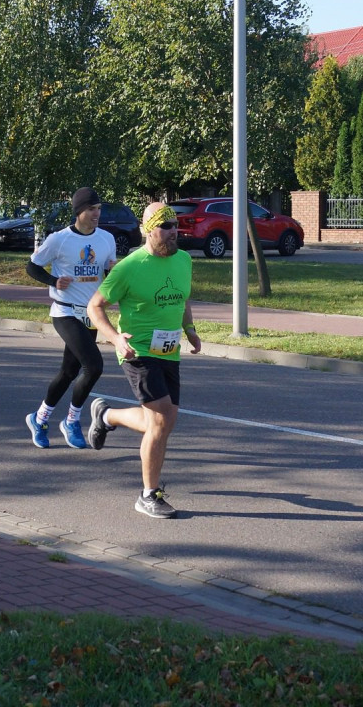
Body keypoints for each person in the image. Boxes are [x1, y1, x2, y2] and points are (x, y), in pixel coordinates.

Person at [86, 202, 201, 519]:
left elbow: (183, 297)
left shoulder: (183, 260)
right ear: (148, 229)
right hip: (137, 351)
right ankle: (148, 494)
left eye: (175, 225)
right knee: (161, 419)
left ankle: (107, 416)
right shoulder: (129, 267)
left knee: (163, 423)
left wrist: (190, 330)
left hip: (169, 350)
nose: (173, 232)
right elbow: (95, 307)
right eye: (166, 227)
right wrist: (115, 338)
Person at [24, 187, 117, 449]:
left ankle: (39, 418)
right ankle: (72, 421)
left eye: (99, 208)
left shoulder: (107, 239)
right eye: (92, 209)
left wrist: (111, 274)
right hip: (65, 311)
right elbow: (32, 266)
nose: (97, 213)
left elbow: (108, 275)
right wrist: (54, 280)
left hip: (90, 313)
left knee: (69, 371)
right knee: (94, 366)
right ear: (79, 211)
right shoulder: (60, 239)